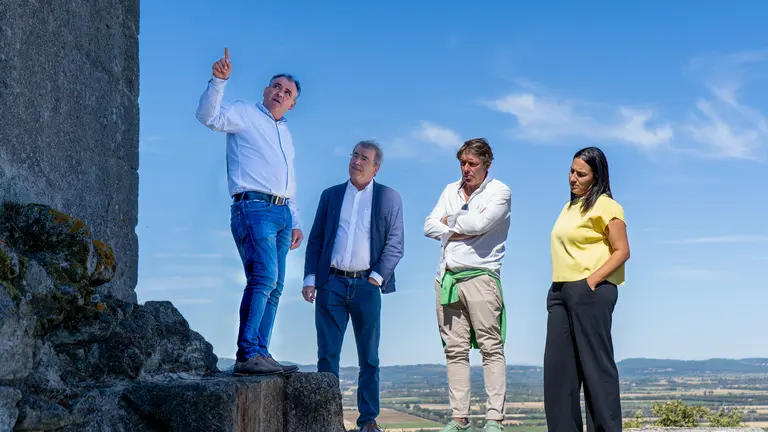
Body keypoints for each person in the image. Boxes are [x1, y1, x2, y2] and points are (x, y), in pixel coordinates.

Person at [195, 48, 304, 376]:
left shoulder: (285, 133)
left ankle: (261, 352)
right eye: (276, 87)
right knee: (264, 278)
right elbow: (208, 117)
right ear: (265, 90)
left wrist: (295, 220)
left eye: (287, 93)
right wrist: (218, 81)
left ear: (292, 104)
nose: (279, 93)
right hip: (253, 208)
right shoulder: (244, 113)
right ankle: (247, 354)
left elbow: (287, 179)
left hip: (282, 214)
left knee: (277, 285)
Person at [302, 140, 404, 432]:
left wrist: (377, 277)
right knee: (327, 356)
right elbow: (317, 239)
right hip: (331, 284)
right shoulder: (331, 195)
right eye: (355, 155)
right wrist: (311, 278)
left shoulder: (389, 197)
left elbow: (396, 244)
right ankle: (327, 419)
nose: (357, 161)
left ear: (376, 167)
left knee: (369, 357)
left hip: (367, 287)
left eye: (364, 158)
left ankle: (368, 420)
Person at [424, 138, 511, 432]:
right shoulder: (450, 190)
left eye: (472, 164)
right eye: (463, 163)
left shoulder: (500, 191)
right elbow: (428, 226)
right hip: (447, 278)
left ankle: (494, 419)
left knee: (490, 347)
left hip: (482, 276)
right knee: (455, 351)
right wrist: (461, 226)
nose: (466, 169)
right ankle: (459, 418)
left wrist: (449, 223)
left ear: (487, 164)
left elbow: (480, 226)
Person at [544, 146, 630, 432]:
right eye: (571, 171)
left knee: (596, 369)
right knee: (559, 373)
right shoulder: (569, 207)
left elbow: (622, 251)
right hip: (559, 292)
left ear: (596, 176)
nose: (573, 178)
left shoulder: (607, 206)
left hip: (591, 291)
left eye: (581, 174)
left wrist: (591, 281)